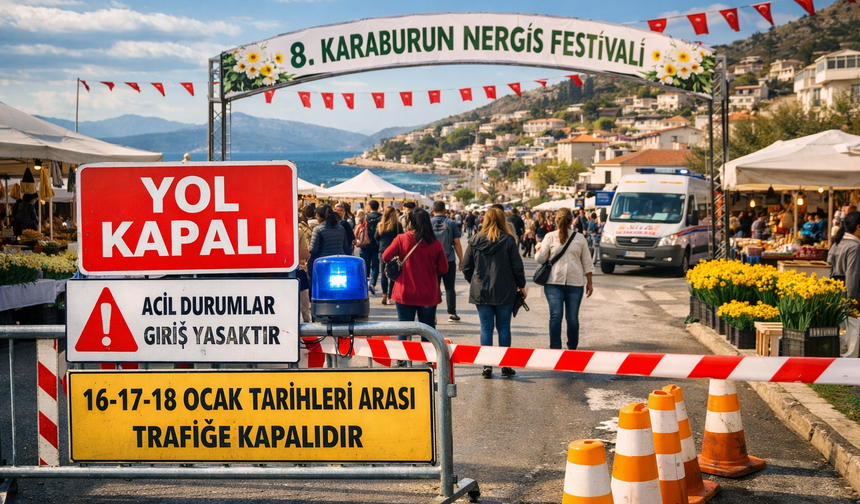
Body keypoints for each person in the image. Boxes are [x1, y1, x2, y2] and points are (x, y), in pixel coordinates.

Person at [462, 208, 526, 378]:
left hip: (481, 289)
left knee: (485, 327)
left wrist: (475, 281)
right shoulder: (509, 240)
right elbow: (517, 266)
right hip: (505, 288)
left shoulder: (474, 240)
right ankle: (505, 365)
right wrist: (521, 285)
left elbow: (466, 267)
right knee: (504, 326)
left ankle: (486, 366)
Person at [382, 208, 448, 336]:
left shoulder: (401, 239)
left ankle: (403, 356)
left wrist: (399, 260)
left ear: (410, 223)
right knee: (428, 332)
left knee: (404, 330)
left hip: (404, 291)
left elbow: (385, 256)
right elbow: (443, 268)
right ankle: (427, 356)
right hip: (428, 293)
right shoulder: (435, 243)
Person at [535, 208, 594, 350]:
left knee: (568, 318)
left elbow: (540, 259)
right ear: (571, 221)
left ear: (556, 220)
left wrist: (538, 249)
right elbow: (587, 262)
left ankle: (569, 349)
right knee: (560, 317)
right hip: (557, 283)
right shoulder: (553, 236)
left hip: (567, 283)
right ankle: (559, 348)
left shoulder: (578, 238)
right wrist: (590, 283)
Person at [431, 201, 464, 322]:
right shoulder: (451, 223)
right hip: (449, 259)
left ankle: (432, 313)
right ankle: (452, 313)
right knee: (450, 287)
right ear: (445, 209)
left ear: (433, 210)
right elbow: (457, 243)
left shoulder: (429, 223)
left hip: (432, 261)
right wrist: (461, 259)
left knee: (434, 287)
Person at [309, 204, 350, 274]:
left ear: (319, 216)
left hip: (323, 263)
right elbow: (345, 247)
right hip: (340, 262)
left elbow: (313, 250)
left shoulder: (318, 229)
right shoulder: (341, 228)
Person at [829, 211, 860, 301]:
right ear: (858, 227)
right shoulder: (854, 247)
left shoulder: (836, 243)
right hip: (848, 297)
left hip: (834, 295)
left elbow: (829, 269)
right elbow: (852, 275)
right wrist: (850, 301)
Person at [376, 206, 403, 305]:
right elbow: (401, 237)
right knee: (393, 273)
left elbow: (376, 237)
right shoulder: (398, 225)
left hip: (383, 251)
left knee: (383, 274)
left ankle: (384, 294)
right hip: (394, 251)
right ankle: (390, 297)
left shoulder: (380, 225)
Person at [360, 200, 383, 295]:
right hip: (377, 244)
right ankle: (372, 284)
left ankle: (366, 283)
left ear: (369, 207)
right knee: (375, 265)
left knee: (365, 264)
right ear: (378, 207)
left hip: (365, 244)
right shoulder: (381, 217)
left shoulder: (365, 217)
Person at [297, 205, 313, 322]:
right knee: (304, 302)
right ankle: (308, 327)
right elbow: (305, 253)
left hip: (278, 272)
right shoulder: (299, 231)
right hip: (299, 269)